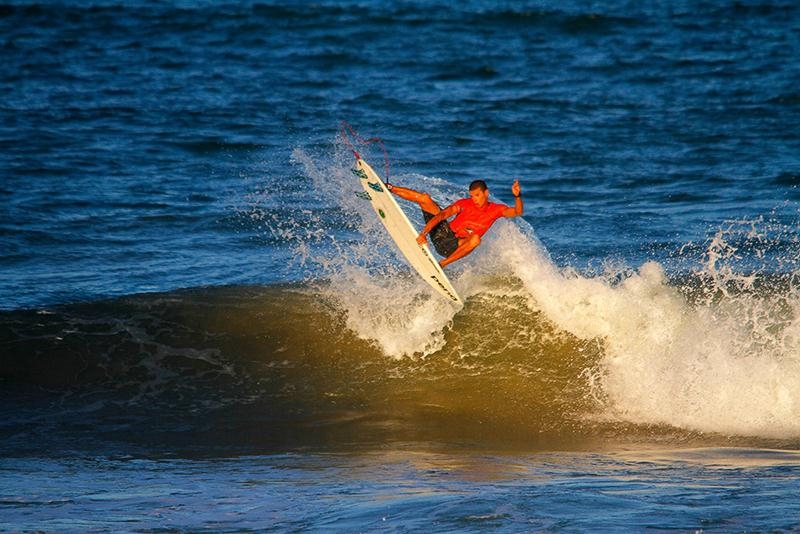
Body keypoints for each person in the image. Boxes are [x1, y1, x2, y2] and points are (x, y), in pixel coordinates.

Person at [386, 178, 523, 268]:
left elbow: (517, 212)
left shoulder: (496, 209)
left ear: (486, 193)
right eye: (472, 196)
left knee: (475, 239)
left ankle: (443, 264)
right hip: (442, 235)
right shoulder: (464, 204)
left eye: (477, 195)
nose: (474, 199)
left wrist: (517, 196)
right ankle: (390, 188)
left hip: (454, 247)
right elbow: (443, 215)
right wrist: (424, 234)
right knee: (425, 198)